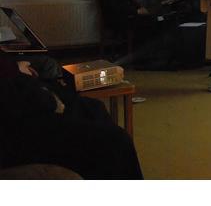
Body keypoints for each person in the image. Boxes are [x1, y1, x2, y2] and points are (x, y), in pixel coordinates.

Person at [0, 52, 143, 179]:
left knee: (94, 107)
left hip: (18, 92)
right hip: (12, 124)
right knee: (117, 141)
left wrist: (15, 67)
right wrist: (47, 97)